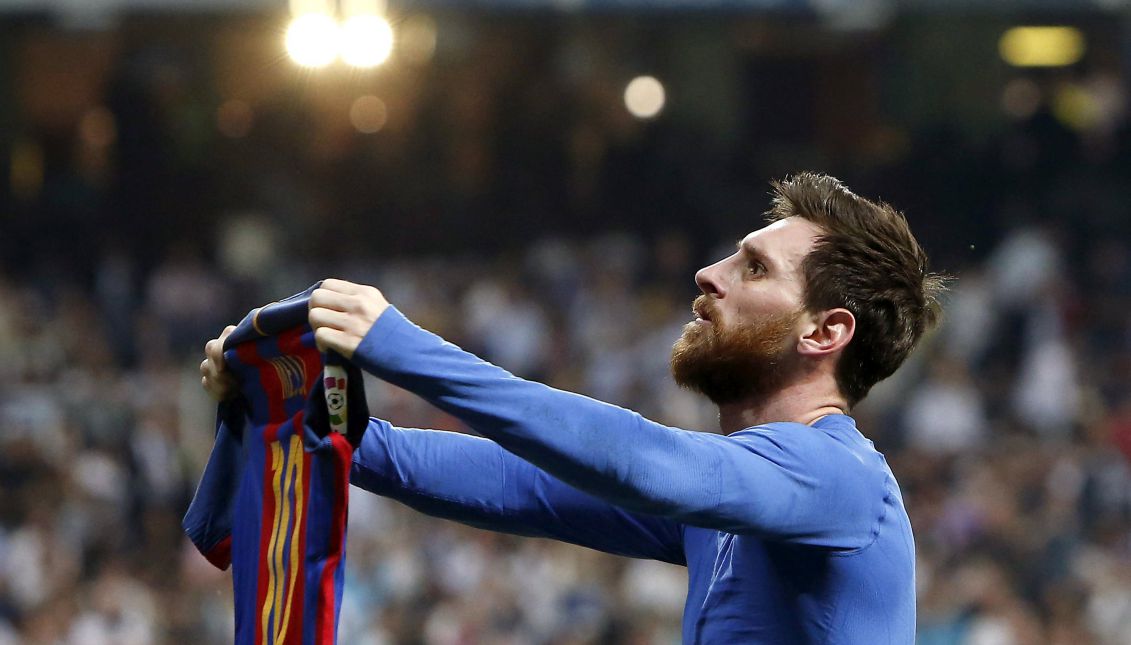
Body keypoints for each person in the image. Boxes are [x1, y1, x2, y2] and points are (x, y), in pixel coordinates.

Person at [201, 172, 944, 644]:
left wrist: (401, 346)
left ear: (825, 331)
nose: (707, 274)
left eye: (752, 267)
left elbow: (646, 463)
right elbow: (520, 483)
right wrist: (297, 410)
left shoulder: (841, 479)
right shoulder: (730, 505)